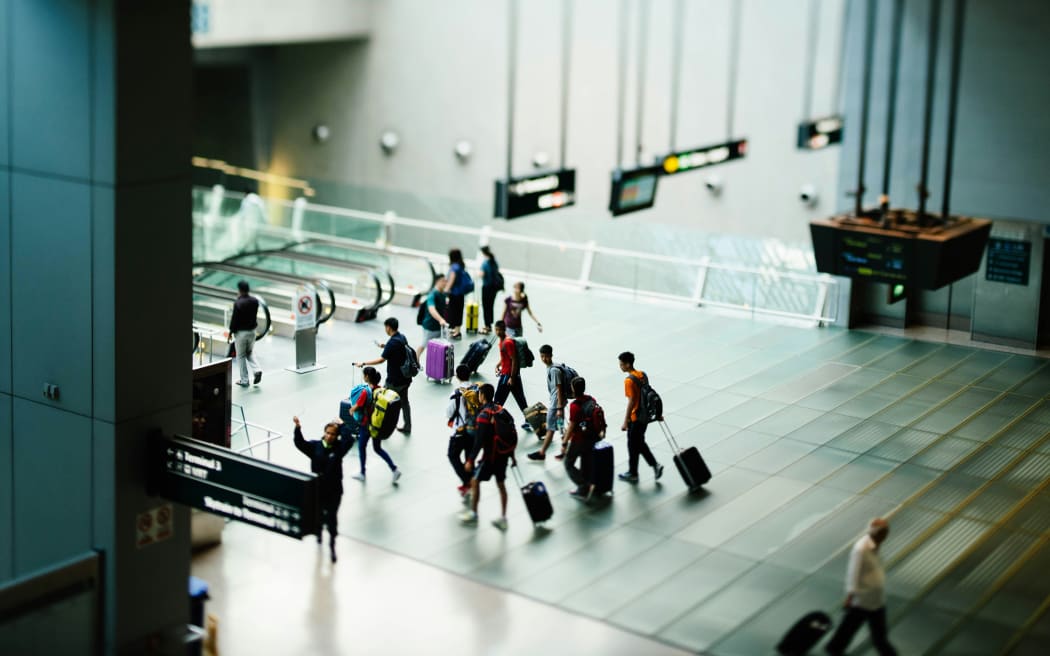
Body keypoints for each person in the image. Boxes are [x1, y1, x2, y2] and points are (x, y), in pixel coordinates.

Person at [825, 518, 897, 656]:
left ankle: (833, 649)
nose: (886, 534)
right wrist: (850, 597)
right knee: (876, 637)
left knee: (851, 632)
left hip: (876, 599)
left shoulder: (875, 545)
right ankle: (833, 649)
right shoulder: (861, 549)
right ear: (874, 532)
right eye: (884, 531)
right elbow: (853, 573)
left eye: (887, 531)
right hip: (862, 600)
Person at [292, 416, 353, 563]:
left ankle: (332, 545)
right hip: (318, 490)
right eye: (328, 433)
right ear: (324, 433)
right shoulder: (315, 447)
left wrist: (342, 425)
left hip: (334, 490)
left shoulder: (339, 448)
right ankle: (319, 533)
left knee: (332, 517)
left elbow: (349, 440)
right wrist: (297, 428)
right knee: (318, 514)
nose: (330, 436)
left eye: (333, 434)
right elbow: (300, 443)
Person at [459, 383, 513, 530]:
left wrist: (470, 459)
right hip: (503, 455)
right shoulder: (502, 410)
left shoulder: (483, 415)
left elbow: (479, 440)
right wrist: (512, 455)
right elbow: (510, 432)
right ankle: (503, 518)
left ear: (482, 395)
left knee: (475, 480)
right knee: (501, 485)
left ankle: (474, 513)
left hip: (490, 456)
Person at [357, 317, 414, 434]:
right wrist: (385, 346)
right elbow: (396, 349)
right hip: (405, 378)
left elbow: (381, 360)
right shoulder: (401, 337)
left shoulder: (392, 343)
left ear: (388, 327)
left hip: (394, 381)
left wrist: (363, 363)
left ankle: (377, 424)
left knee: (380, 400)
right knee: (404, 403)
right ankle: (407, 426)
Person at [347, 367, 401, 484]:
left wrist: (351, 410)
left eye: (364, 375)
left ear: (367, 377)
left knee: (361, 447)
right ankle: (394, 469)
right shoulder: (380, 390)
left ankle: (362, 472)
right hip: (377, 424)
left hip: (366, 425)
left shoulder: (366, 392)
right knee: (377, 448)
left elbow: (356, 407)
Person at [617, 351, 663, 483]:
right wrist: (658, 413)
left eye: (621, 364)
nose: (620, 367)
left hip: (635, 418)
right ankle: (644, 468)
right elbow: (648, 393)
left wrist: (625, 421)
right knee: (638, 442)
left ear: (628, 364)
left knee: (633, 444)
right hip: (645, 416)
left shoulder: (628, 381)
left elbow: (631, 401)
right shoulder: (642, 375)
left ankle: (636, 472)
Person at [528, 345, 573, 461]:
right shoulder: (552, 367)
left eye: (546, 356)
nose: (544, 359)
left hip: (556, 405)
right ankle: (565, 450)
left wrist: (558, 408)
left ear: (551, 355)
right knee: (560, 426)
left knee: (551, 428)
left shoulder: (554, 370)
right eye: (542, 356)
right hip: (559, 404)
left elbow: (559, 388)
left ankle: (542, 453)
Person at [563, 376, 602, 501]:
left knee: (568, 463)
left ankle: (583, 486)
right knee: (586, 462)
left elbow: (572, 425)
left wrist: (564, 442)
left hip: (579, 439)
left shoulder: (574, 406)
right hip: (593, 437)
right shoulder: (591, 399)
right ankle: (591, 485)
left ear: (573, 389)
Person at [492, 320, 532, 432]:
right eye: (497, 329)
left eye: (500, 330)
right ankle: (529, 420)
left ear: (504, 329)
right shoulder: (502, 341)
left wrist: (512, 377)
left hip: (508, 376)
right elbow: (506, 357)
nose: (498, 332)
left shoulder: (507, 342)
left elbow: (514, 360)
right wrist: (498, 364)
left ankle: (495, 423)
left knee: (498, 401)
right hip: (510, 375)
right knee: (521, 400)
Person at [446, 365, 479, 501]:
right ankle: (470, 481)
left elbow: (448, 412)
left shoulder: (457, 393)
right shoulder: (477, 389)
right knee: (469, 458)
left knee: (452, 455)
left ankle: (468, 482)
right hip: (474, 430)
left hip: (460, 431)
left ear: (457, 376)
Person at [229, 280, 262, 387]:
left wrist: (230, 332)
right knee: (249, 352)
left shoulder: (238, 303)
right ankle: (257, 370)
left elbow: (234, 320)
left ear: (239, 290)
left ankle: (244, 380)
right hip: (252, 332)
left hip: (241, 333)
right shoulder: (255, 301)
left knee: (241, 356)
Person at [418, 274, 450, 359]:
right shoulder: (432, 294)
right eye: (443, 281)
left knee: (439, 344)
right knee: (423, 345)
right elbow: (432, 309)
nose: (445, 283)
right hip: (430, 326)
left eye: (445, 281)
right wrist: (440, 319)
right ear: (437, 282)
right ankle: (415, 360)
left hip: (439, 326)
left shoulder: (442, 293)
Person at [445, 248, 472, 340]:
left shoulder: (454, 267)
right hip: (460, 294)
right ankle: (457, 330)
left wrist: (446, 290)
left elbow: (451, 280)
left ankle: (455, 331)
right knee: (459, 312)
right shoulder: (460, 266)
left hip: (454, 294)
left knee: (453, 312)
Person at [478, 245, 503, 335]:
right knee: (491, 306)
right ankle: (490, 324)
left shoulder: (485, 263)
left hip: (487, 287)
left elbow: (481, 274)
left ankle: (487, 326)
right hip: (494, 287)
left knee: (486, 306)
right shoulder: (494, 261)